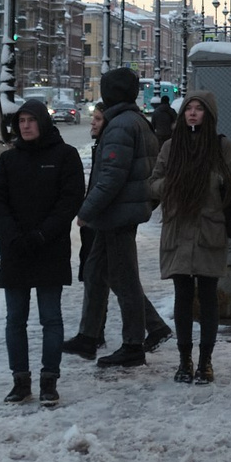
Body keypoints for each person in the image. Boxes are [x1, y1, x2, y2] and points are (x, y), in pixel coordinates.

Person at [63, 67, 168, 369]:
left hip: (116, 215)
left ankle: (133, 344)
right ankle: (89, 335)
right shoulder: (135, 121)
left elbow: (111, 177)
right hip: (119, 213)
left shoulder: (121, 125)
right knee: (97, 271)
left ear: (112, 93)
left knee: (124, 279)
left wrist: (86, 210)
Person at [0, 98, 84, 406]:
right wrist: (12, 235)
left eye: (31, 120)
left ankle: (49, 380)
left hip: (49, 249)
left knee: (50, 318)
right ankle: (20, 380)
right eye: (21, 121)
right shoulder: (9, 160)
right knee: (15, 319)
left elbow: (70, 200)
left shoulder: (65, 156)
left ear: (43, 122)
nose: (26, 125)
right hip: (16, 250)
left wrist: (44, 233)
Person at [147, 90, 231, 384]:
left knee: (208, 297)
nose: (192, 113)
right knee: (182, 297)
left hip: (208, 230)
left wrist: (218, 180)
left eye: (198, 109)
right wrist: (171, 185)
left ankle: (205, 362)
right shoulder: (170, 146)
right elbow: (152, 183)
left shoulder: (221, 146)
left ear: (209, 114)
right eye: (188, 108)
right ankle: (183, 360)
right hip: (178, 230)